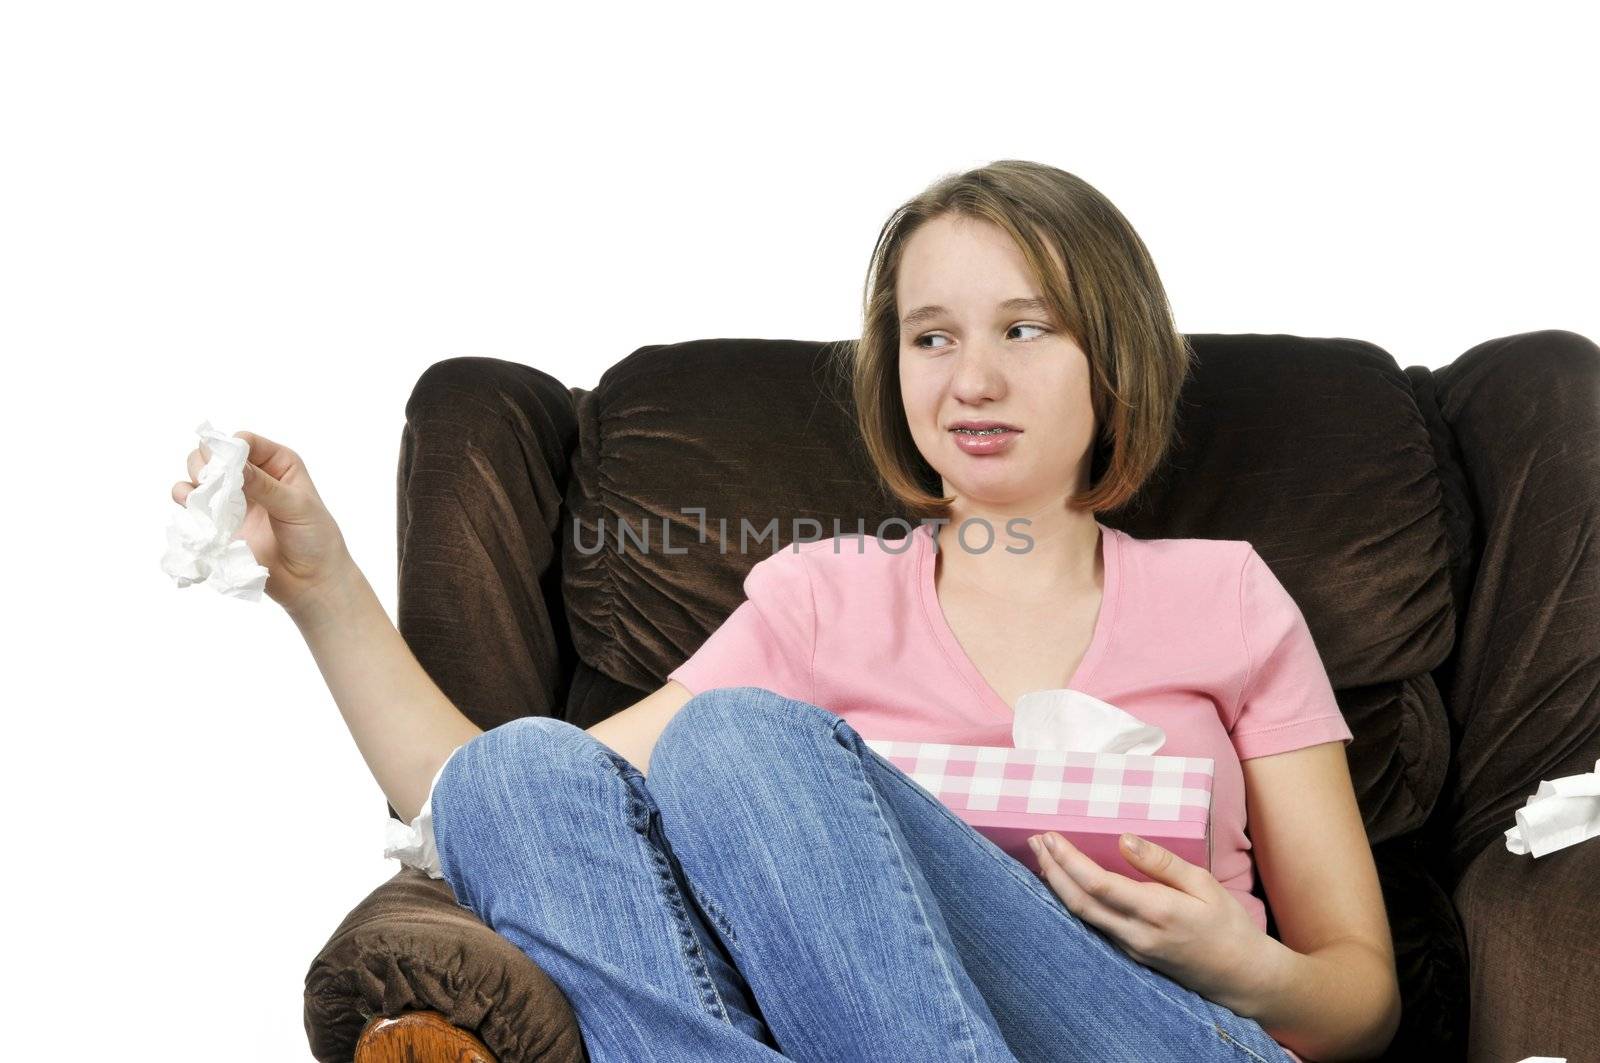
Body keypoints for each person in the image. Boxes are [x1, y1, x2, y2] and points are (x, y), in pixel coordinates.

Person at [172, 160, 1401, 1061]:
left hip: (1160, 1034)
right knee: (519, 779)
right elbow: (483, 804)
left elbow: (1363, 996)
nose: (971, 378)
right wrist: (320, 585)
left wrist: (1243, 965)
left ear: (1114, 358)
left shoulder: (1224, 596)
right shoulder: (824, 596)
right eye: (931, 337)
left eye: (1025, 329)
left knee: (735, 736)